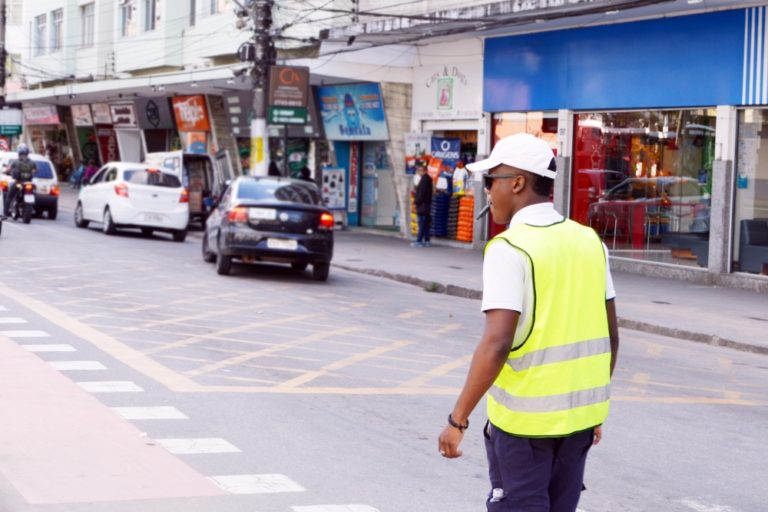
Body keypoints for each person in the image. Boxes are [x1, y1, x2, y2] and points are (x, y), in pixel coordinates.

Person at [438, 133, 620, 512]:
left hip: (525, 427)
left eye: (491, 180)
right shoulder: (590, 242)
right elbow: (611, 336)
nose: (487, 191)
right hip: (579, 421)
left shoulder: (509, 248)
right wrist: (592, 410)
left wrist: (458, 420)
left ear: (517, 183)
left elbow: (497, 343)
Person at [6, 144, 38, 216]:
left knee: (9, 196)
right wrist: (32, 172)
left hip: (19, 183)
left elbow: (9, 169)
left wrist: (5, 171)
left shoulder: (15, 162)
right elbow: (36, 170)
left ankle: (5, 213)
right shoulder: (32, 162)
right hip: (28, 183)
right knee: (34, 192)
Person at [412, 163, 433, 247]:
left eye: (419, 170)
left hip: (423, 206)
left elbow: (421, 193)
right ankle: (427, 240)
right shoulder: (427, 179)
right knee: (425, 224)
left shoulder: (424, 180)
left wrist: (416, 202)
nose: (418, 172)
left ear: (423, 170)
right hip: (426, 205)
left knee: (422, 224)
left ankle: (419, 241)